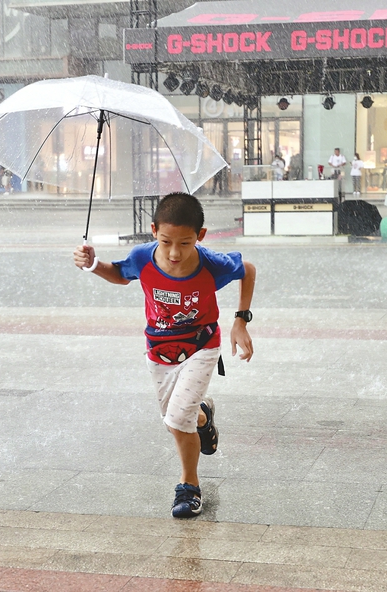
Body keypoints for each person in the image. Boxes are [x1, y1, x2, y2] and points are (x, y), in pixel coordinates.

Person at [73, 193, 256, 519]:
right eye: (166, 241)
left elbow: (248, 270)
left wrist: (241, 320)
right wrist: (93, 265)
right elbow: (121, 274)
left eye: (185, 243)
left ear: (200, 237)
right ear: (154, 230)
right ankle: (203, 417)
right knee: (178, 421)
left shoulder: (210, 263)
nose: (174, 252)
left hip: (201, 346)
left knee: (176, 418)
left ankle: (190, 486)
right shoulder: (143, 257)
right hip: (159, 350)